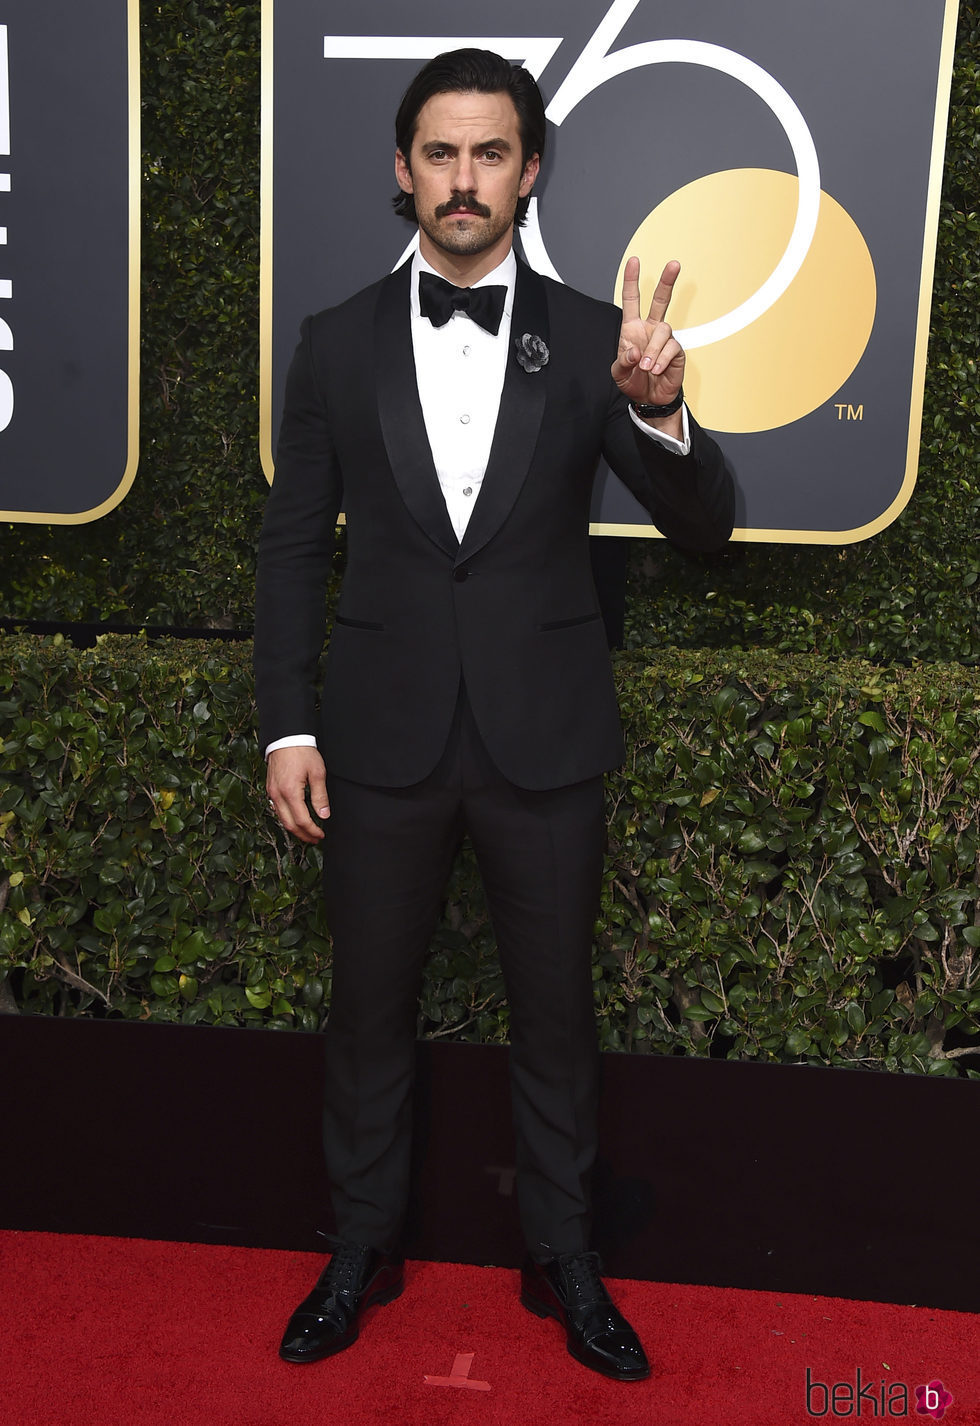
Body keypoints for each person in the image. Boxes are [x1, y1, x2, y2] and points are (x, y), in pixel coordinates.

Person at [254, 48, 735, 1382]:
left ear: (531, 171)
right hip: (379, 738)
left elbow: (706, 530)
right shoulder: (335, 338)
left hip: (544, 736)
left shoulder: (598, 341)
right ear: (403, 170)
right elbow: (294, 544)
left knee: (558, 1012)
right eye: (440, 154)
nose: (464, 181)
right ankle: (357, 1247)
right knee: (366, 1010)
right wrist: (285, 724)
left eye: (492, 154)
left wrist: (668, 411)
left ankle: (568, 1257)